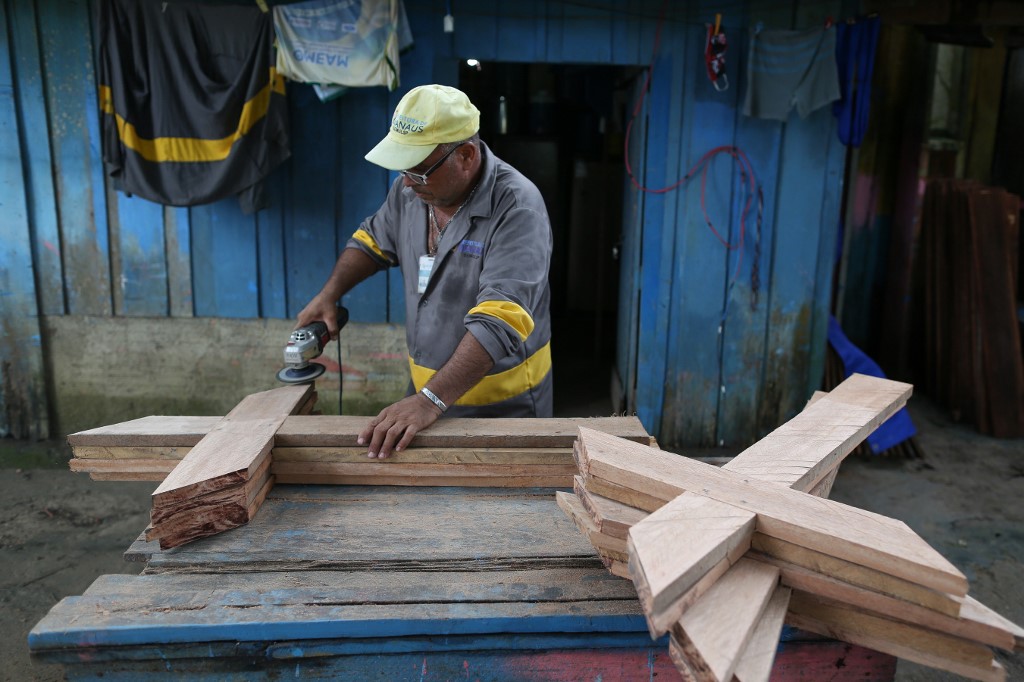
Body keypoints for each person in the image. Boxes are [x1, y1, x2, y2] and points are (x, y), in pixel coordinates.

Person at [297, 84, 553, 459]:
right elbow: (373, 240)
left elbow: (501, 321)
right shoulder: (413, 191)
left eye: (419, 171)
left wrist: (430, 400)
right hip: (427, 392)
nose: (406, 182)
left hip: (501, 408)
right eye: (403, 168)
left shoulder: (517, 207)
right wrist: (328, 295)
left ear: (465, 155)